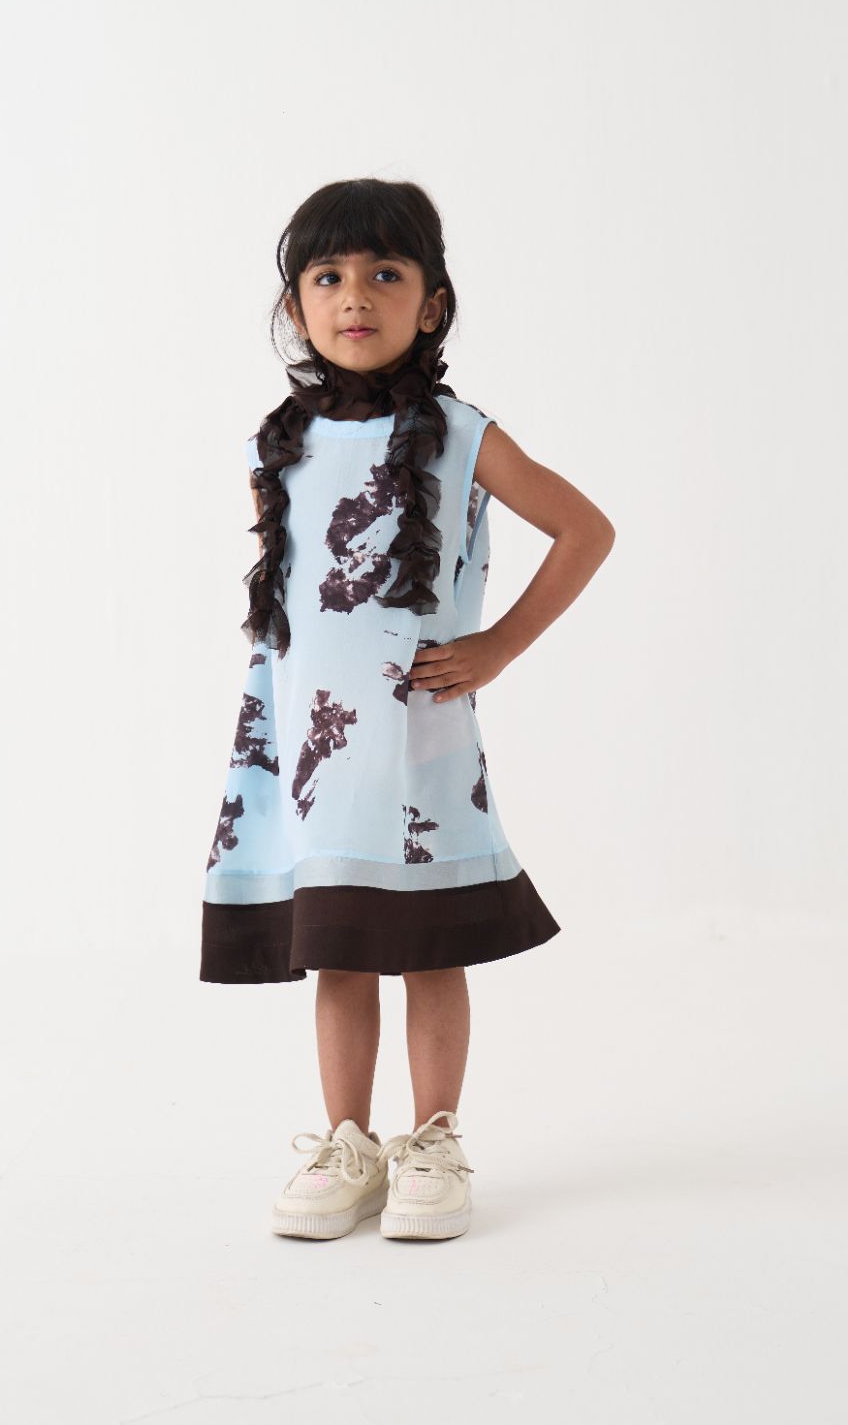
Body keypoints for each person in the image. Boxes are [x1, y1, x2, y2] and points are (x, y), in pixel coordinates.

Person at [200, 178, 615, 1241]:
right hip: (313, 750)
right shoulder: (275, 446)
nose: (355, 296)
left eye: (385, 273)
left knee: (429, 946)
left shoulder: (462, 434)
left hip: (419, 741)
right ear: (295, 306)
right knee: (338, 948)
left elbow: (585, 529)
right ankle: (348, 1143)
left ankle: (432, 1140)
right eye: (327, 276)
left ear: (430, 303)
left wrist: (498, 646)